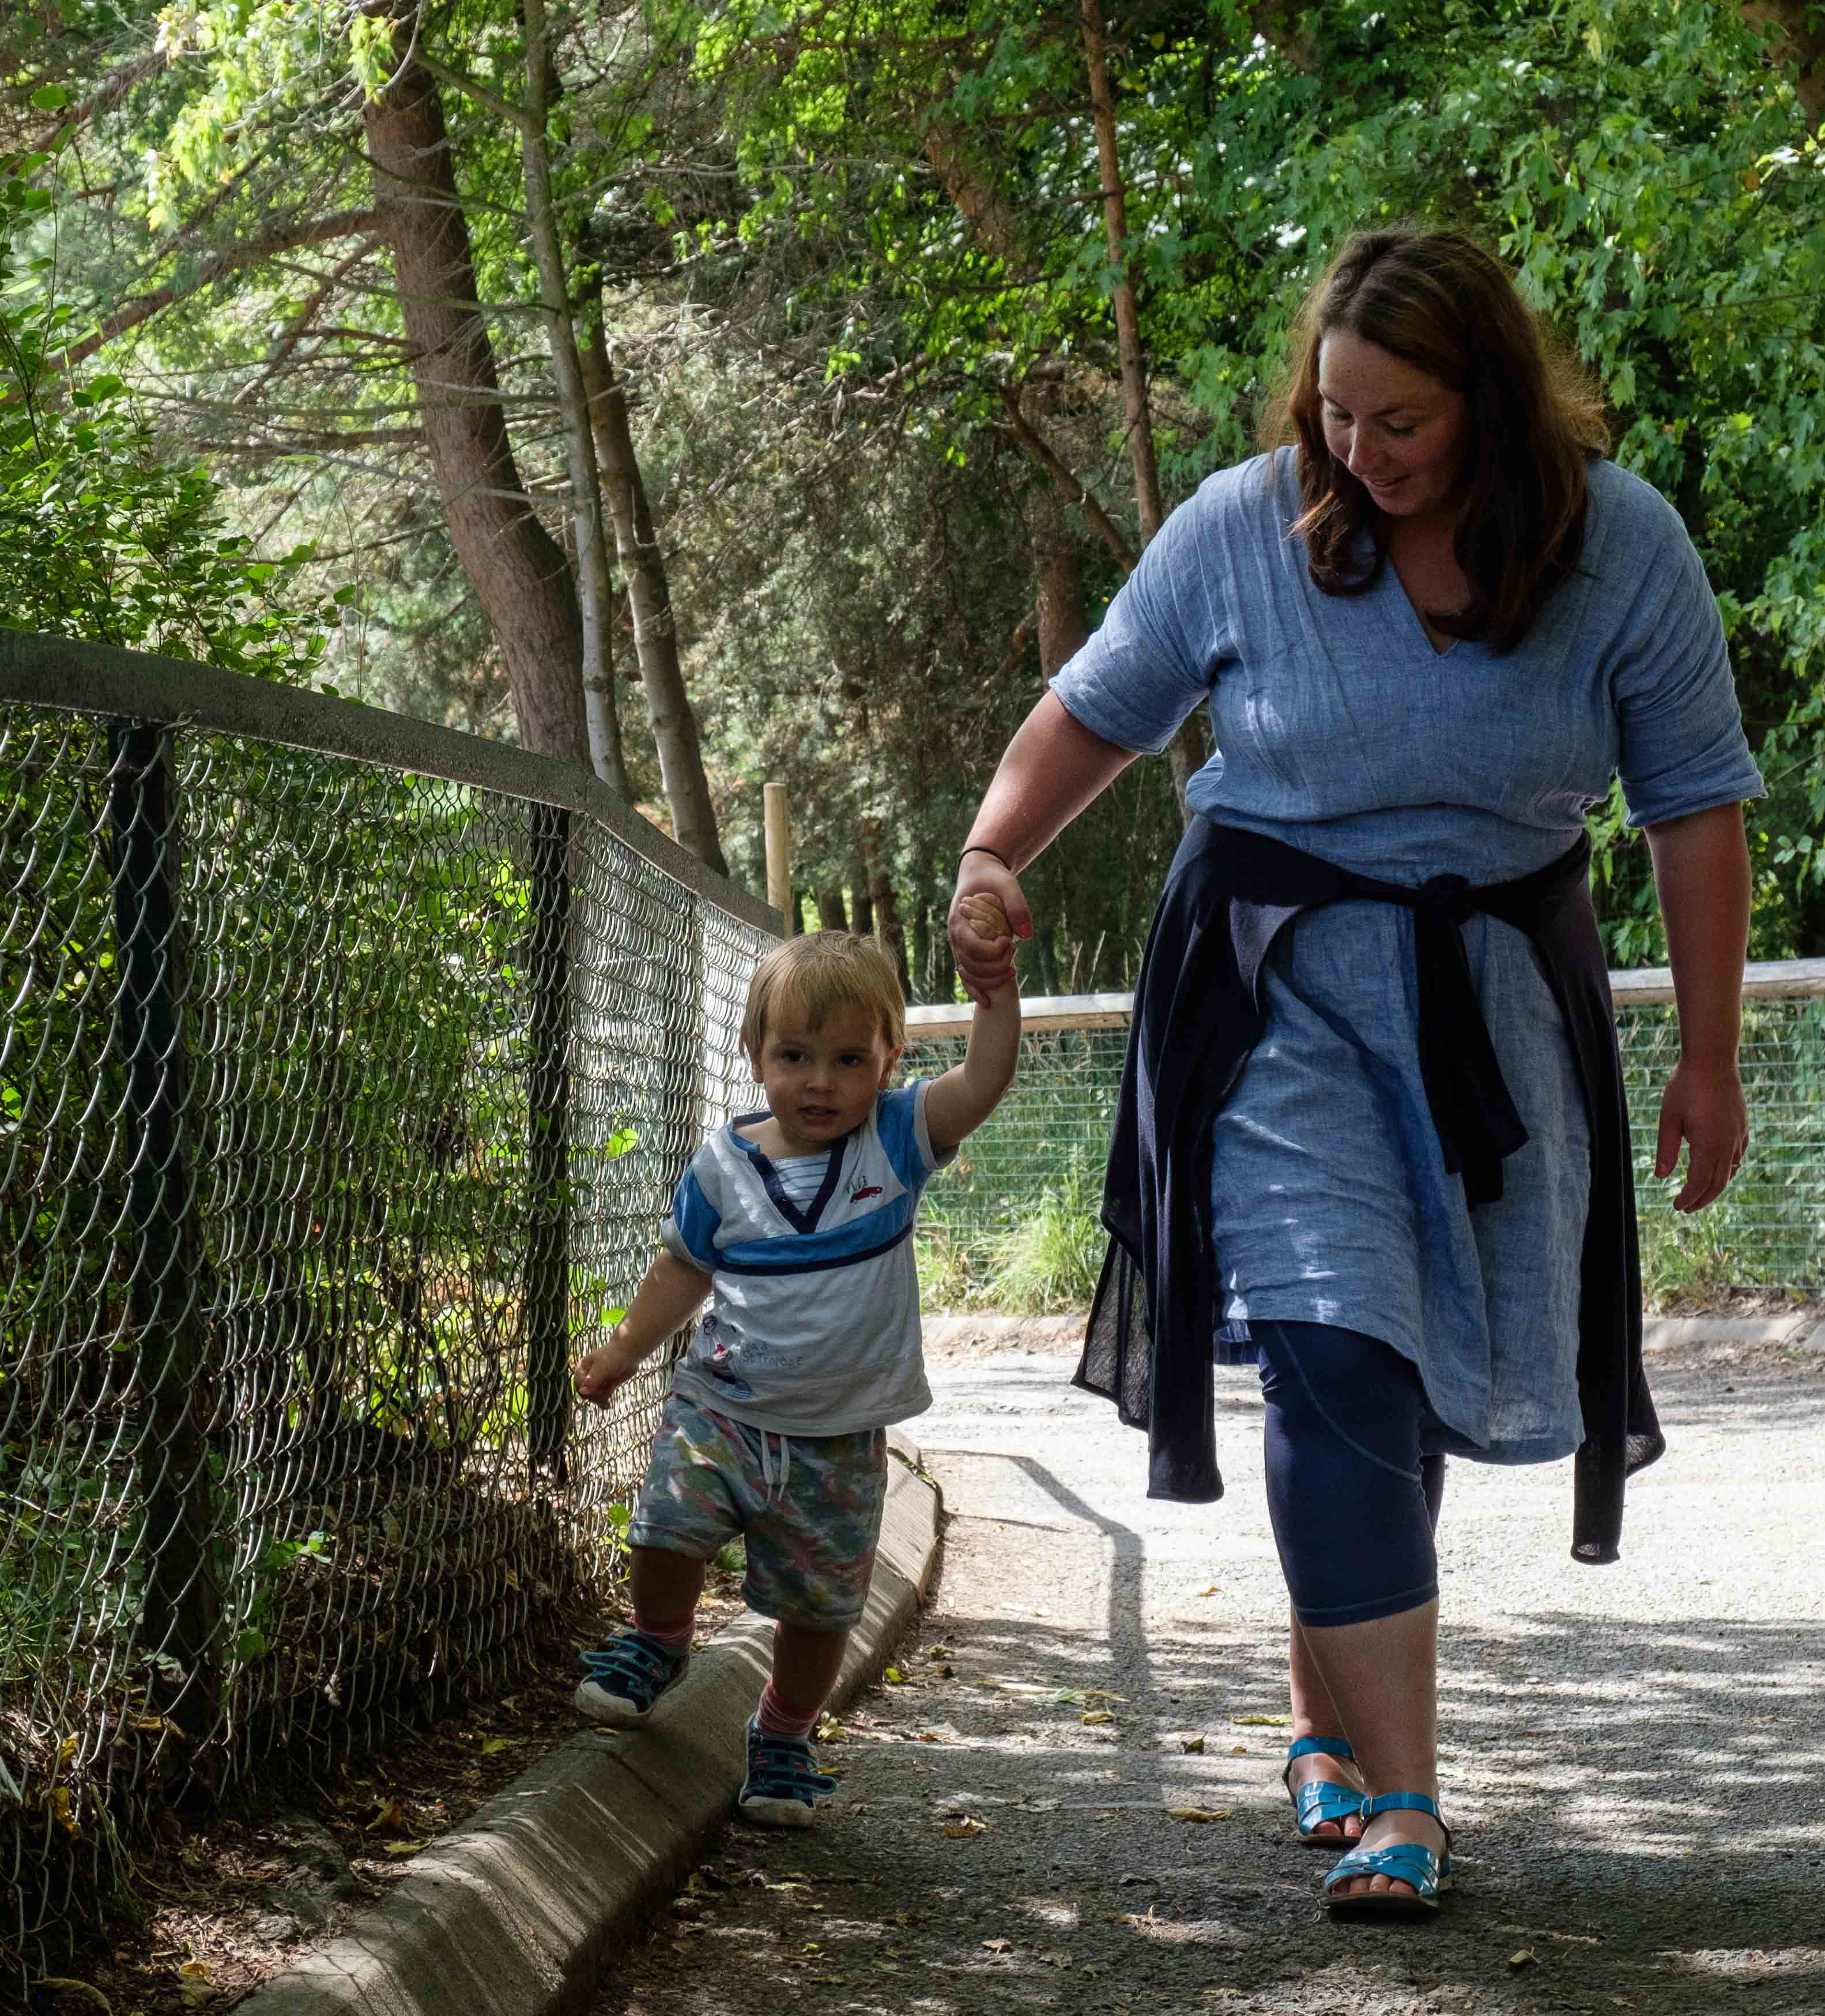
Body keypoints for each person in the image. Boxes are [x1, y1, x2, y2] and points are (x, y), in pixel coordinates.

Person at [946, 226, 1758, 1918]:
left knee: (1415, 1354)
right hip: (1275, 985)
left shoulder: (1618, 547)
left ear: (1487, 401)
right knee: (1327, 1343)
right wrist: (990, 852)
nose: (1356, 454)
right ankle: (1403, 1796)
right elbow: (1094, 709)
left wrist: (1705, 1052)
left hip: (1492, 993)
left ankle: (1325, 1720)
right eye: (1333, 416)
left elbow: (1692, 802)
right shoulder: (1243, 527)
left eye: (1397, 422)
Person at [568, 922, 1021, 1825]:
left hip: (837, 1433)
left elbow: (982, 1080)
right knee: (664, 1526)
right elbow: (682, 1271)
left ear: (891, 1059)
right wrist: (622, 1351)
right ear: (754, 1054)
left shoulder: (893, 1142)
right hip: (721, 1406)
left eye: (850, 1057)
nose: (821, 1079)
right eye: (795, 1054)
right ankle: (658, 1641)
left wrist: (995, 992)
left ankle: (783, 1733)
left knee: (820, 1611)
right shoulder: (721, 1168)